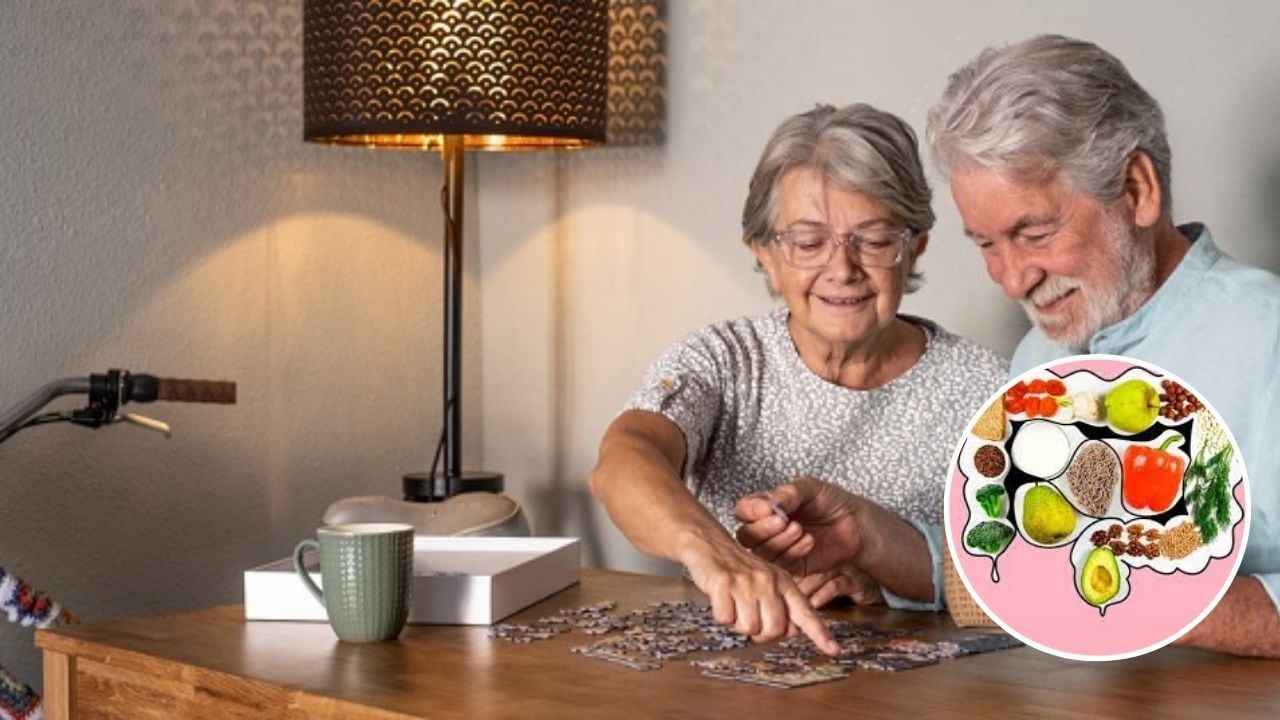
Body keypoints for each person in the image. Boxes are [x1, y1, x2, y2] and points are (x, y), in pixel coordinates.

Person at [744, 35, 1279, 658]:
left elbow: (1073, 586)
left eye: (1033, 231)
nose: (1012, 279)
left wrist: (1137, 587)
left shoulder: (1266, 338)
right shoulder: (1040, 355)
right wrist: (865, 538)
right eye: (987, 244)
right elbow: (1011, 570)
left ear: (1136, 190)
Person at [589, 103, 1007, 654]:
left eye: (875, 239)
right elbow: (623, 460)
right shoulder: (723, 360)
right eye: (808, 242)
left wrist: (886, 586)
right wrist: (722, 557)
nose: (842, 269)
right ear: (763, 252)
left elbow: (1027, 578)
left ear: (916, 245)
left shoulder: (991, 388)